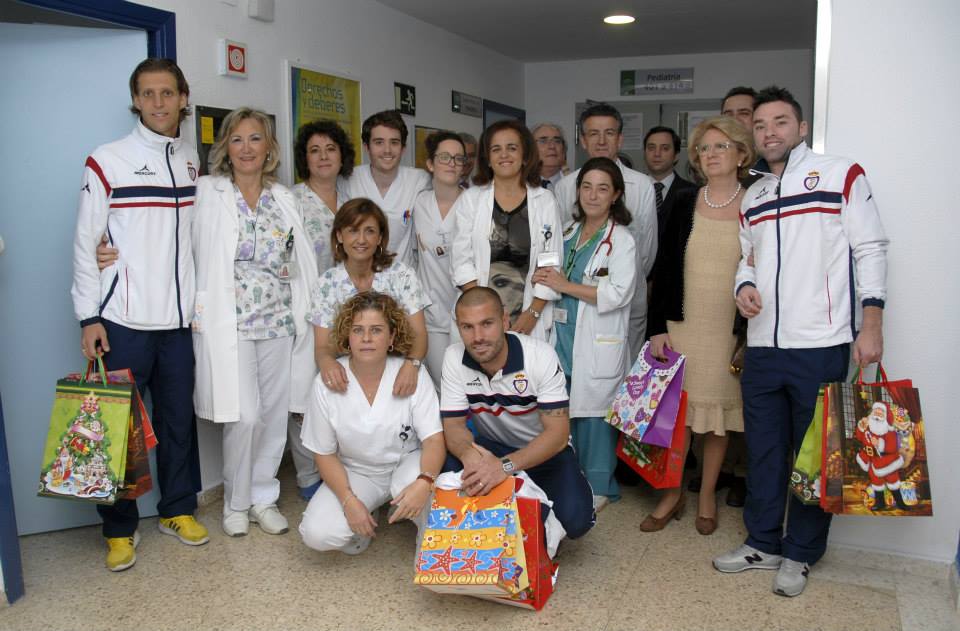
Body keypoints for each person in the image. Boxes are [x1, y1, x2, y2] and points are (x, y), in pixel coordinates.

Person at [713, 86, 888, 597]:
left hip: (822, 343)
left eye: (780, 122)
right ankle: (763, 542)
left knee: (814, 456)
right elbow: (747, 259)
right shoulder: (756, 194)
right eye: (762, 125)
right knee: (765, 451)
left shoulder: (840, 174)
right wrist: (743, 287)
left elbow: (870, 248)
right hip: (764, 346)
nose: (769, 132)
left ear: (802, 127)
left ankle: (801, 553)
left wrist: (871, 324)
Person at [72, 58, 207, 571]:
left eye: (167, 93)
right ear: (136, 100)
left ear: (183, 98)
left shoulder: (193, 161)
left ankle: (176, 509)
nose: (158, 103)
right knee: (117, 427)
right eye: (147, 94)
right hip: (122, 321)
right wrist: (89, 316)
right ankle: (119, 529)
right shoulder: (107, 159)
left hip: (177, 325)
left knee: (177, 422)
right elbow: (87, 244)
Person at [191, 107, 319, 537]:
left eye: (255, 139)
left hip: (279, 321)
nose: (247, 148)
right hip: (232, 324)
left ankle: (263, 498)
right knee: (243, 416)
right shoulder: (208, 192)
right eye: (238, 139)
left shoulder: (283, 198)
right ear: (225, 146)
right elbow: (179, 243)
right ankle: (235, 501)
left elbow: (300, 261)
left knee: (273, 413)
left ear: (269, 148)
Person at [646, 116, 755, 535]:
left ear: (742, 154)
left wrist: (748, 338)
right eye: (705, 149)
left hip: (728, 330)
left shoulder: (756, 203)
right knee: (677, 420)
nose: (711, 155)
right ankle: (672, 493)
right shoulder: (683, 201)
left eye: (721, 147)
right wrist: (658, 327)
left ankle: (706, 493)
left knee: (717, 419)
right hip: (682, 326)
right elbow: (664, 269)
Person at [440, 287, 595, 539]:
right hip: (491, 448)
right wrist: (469, 455)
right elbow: (454, 426)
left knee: (577, 522)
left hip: (545, 453)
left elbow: (557, 434)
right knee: (443, 463)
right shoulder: (453, 357)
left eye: (487, 324)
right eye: (468, 327)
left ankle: (536, 495)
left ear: (504, 320)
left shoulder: (540, 356)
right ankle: (501, 510)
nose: (478, 337)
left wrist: (504, 467)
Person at [299, 292, 445, 555]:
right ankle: (365, 514)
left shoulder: (412, 373)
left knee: (420, 486)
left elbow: (434, 439)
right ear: (347, 336)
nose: (366, 338)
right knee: (317, 534)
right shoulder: (327, 382)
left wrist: (424, 480)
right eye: (358, 330)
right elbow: (324, 452)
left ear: (391, 338)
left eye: (376, 330)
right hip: (357, 472)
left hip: (407, 465)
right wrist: (348, 500)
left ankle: (427, 535)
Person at [532, 157, 636, 511]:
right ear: (577, 191)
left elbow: (618, 293)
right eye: (587, 186)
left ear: (616, 194)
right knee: (561, 408)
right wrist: (544, 279)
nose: (593, 195)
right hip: (561, 333)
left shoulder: (620, 240)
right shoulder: (566, 232)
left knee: (593, 416)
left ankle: (598, 485)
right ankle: (566, 478)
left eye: (602, 188)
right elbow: (548, 274)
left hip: (595, 337)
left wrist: (565, 284)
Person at [554, 103, 658, 359]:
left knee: (622, 367)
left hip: (626, 295)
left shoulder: (642, 185)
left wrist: (618, 278)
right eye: (593, 133)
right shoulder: (566, 185)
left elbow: (647, 249)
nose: (601, 141)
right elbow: (563, 240)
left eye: (609, 133)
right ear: (582, 140)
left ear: (620, 138)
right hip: (572, 294)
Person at [287, 120, 355, 501]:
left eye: (330, 148)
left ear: (342, 155)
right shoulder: (290, 200)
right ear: (305, 158)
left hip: (349, 317)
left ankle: (341, 473)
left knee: (341, 394)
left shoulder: (351, 204)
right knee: (303, 399)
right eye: (315, 150)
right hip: (304, 316)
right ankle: (308, 478)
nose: (324, 156)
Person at [451, 119, 563, 341]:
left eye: (512, 148)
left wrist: (533, 313)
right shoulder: (471, 200)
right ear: (488, 159)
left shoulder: (544, 201)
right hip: (479, 317)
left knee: (527, 374)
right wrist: (486, 314)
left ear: (524, 156)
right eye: (496, 149)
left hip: (529, 317)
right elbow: (461, 262)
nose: (504, 155)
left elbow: (550, 262)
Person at [308, 198, 429, 398]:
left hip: (398, 370)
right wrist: (327, 362)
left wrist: (412, 365)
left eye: (370, 231)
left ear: (380, 237)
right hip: (349, 375)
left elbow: (419, 335)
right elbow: (323, 347)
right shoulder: (326, 284)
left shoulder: (402, 276)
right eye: (353, 231)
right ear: (339, 236)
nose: (362, 240)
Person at [341, 110, 430, 268]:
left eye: (394, 142)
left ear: (403, 148)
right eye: (379, 142)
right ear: (367, 147)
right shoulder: (349, 180)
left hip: (403, 279)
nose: (387, 150)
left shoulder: (419, 180)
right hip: (360, 275)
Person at [413, 131, 466, 387]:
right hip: (431, 314)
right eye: (444, 157)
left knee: (465, 386)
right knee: (439, 386)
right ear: (430, 164)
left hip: (465, 313)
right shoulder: (418, 203)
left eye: (458, 158)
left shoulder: (474, 204)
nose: (451, 163)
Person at [643, 126, 697, 246]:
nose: (657, 154)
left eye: (665, 148)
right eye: (651, 148)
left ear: (676, 155)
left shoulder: (693, 193)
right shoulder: (632, 189)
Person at [531, 122, 567, 189]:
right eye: (543, 141)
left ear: (564, 150)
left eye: (557, 141)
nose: (552, 146)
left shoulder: (575, 184)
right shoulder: (519, 185)